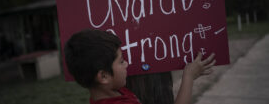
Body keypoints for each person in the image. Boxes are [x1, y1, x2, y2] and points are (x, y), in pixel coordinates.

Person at [64, 29, 216, 104]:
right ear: (103, 76)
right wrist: (188, 77)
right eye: (121, 61)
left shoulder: (108, 93)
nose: (127, 64)